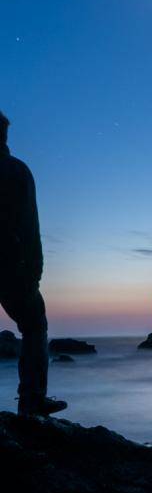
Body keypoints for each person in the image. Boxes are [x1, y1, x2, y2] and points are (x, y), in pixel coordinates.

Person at [0, 111, 66, 416]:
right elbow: (29, 226)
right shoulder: (15, 171)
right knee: (35, 326)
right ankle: (32, 400)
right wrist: (34, 273)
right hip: (11, 267)